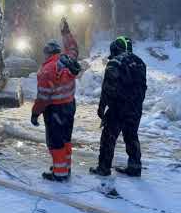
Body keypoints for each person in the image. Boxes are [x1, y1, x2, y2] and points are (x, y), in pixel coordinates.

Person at [31, 18, 81, 182]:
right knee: (66, 139)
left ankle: (59, 173)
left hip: (55, 110)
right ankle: (65, 167)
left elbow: (43, 96)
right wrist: (66, 33)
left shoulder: (47, 70)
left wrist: (35, 113)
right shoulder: (67, 59)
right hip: (69, 106)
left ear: (47, 53)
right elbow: (73, 47)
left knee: (55, 142)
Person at [90, 36, 147, 177]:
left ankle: (104, 168)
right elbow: (142, 87)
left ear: (115, 50)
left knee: (108, 138)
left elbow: (108, 89)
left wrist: (102, 108)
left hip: (118, 107)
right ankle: (135, 166)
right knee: (131, 136)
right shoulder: (140, 63)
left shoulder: (115, 63)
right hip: (136, 108)